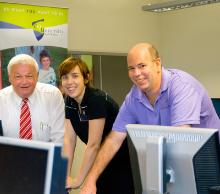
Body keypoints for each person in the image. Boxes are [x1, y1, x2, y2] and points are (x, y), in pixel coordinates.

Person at [80, 42, 220, 194]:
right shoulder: (133, 98)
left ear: (157, 64)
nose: (137, 73)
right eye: (131, 68)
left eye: (142, 66)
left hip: (210, 165)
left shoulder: (181, 87)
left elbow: (181, 139)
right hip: (177, 167)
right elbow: (114, 140)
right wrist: (91, 180)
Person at [58, 57, 134, 194]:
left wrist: (77, 181)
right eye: (65, 77)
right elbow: (68, 141)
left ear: (86, 78)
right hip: (99, 163)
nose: (69, 82)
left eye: (75, 76)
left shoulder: (96, 100)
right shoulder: (69, 101)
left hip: (121, 162)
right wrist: (65, 177)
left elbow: (93, 145)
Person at [0, 54, 64, 143]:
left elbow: (59, 137)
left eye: (29, 76)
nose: (24, 82)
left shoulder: (52, 96)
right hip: (6, 155)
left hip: (46, 155)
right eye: (18, 76)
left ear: (37, 76)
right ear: (9, 78)